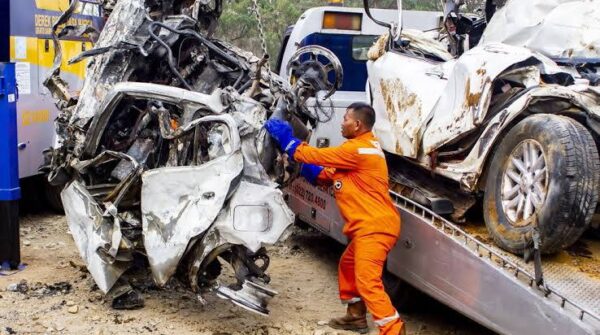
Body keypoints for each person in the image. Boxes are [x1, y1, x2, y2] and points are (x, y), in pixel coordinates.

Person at [264, 102, 404, 335]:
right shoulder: (358, 150)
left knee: (369, 281)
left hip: (375, 227)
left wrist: (287, 139)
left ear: (357, 124)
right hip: (368, 227)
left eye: (345, 119)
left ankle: (393, 330)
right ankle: (356, 317)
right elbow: (323, 174)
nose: (341, 122)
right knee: (349, 266)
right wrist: (307, 169)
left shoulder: (359, 150)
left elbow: (313, 154)